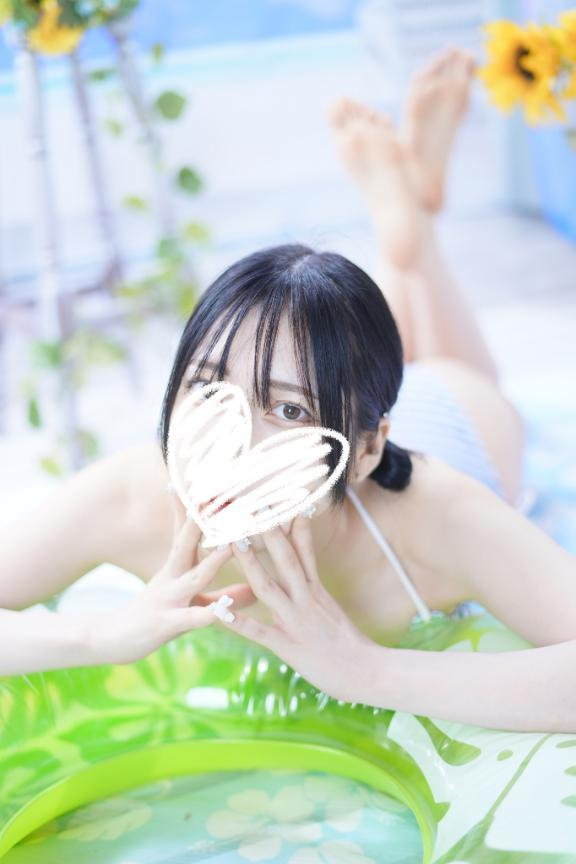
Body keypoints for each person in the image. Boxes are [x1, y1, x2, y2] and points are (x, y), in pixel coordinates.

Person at [1, 49, 576, 734]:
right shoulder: (131, 495)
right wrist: (101, 635)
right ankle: (402, 225)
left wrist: (367, 670)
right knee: (337, 361)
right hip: (351, 405)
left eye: (287, 411)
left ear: (368, 451)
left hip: (452, 419)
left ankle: (413, 239)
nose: (235, 441)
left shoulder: (437, 515)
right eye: (208, 388)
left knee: (464, 375)